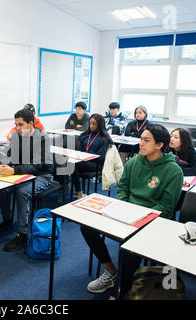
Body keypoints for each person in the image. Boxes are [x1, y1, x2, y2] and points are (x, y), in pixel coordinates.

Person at [81, 124, 183, 298]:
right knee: (87, 227)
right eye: (141, 139)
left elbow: (165, 208)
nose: (141, 143)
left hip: (152, 221)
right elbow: (122, 190)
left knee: (130, 249)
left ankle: (118, 292)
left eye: (146, 140)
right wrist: (122, 210)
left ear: (159, 145)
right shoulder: (133, 162)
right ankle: (112, 271)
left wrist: (137, 218)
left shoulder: (173, 171)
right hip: (126, 214)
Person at [0, 109, 54, 252]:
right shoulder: (17, 135)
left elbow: (37, 165)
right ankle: (8, 220)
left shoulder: (42, 138)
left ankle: (23, 234)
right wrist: (3, 165)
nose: (18, 128)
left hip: (42, 175)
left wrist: (14, 170)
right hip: (22, 172)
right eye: (16, 125)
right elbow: (9, 155)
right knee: (2, 188)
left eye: (21, 124)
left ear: (31, 124)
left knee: (22, 192)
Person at [71, 113, 112, 198]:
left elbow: (101, 157)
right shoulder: (85, 135)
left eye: (94, 124)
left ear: (100, 125)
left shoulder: (104, 138)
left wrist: (87, 156)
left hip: (96, 163)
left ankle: (79, 192)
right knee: (68, 162)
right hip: (84, 160)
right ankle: (64, 189)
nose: (91, 126)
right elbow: (80, 150)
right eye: (90, 123)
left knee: (73, 166)